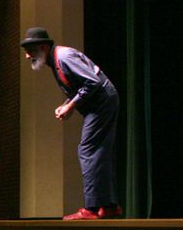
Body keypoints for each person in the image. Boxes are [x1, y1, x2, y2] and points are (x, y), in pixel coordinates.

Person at [21, 27, 122, 220]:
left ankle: (92, 208)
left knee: (88, 150)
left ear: (43, 47)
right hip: (101, 102)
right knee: (99, 152)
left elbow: (92, 82)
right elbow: (80, 86)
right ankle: (108, 205)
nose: (27, 56)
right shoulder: (56, 61)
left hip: (102, 101)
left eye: (31, 51)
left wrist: (71, 106)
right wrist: (67, 104)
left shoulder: (64, 57)